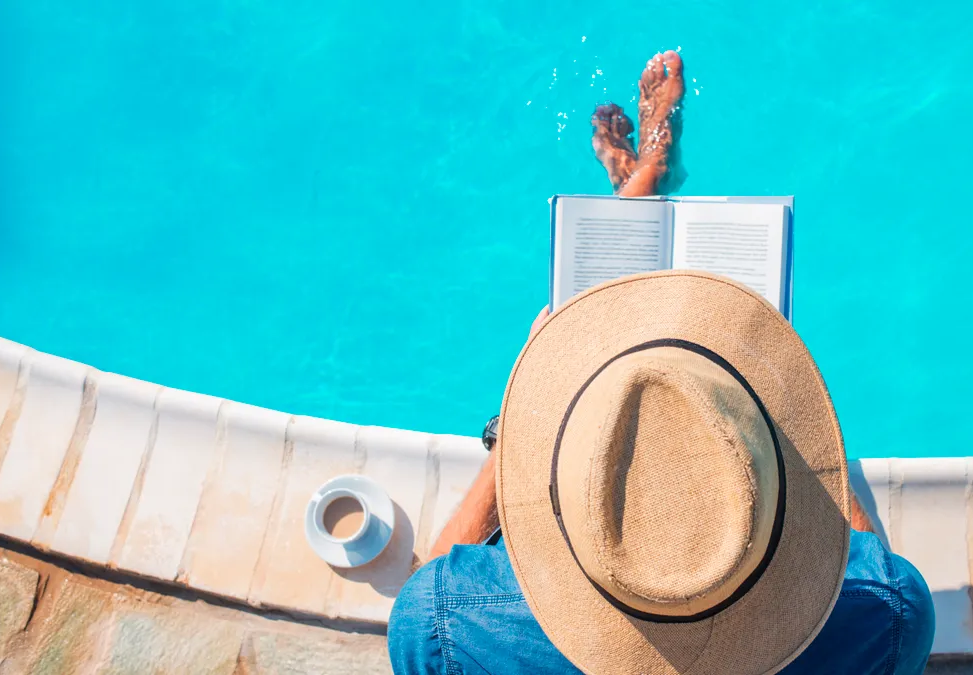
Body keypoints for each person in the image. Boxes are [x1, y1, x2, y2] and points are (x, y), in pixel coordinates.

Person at [387, 51, 934, 675]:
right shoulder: (888, 615)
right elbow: (866, 562)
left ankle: (640, 181)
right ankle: (644, 176)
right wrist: (791, 421)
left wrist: (517, 423)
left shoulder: (450, 623)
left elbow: (428, 597)